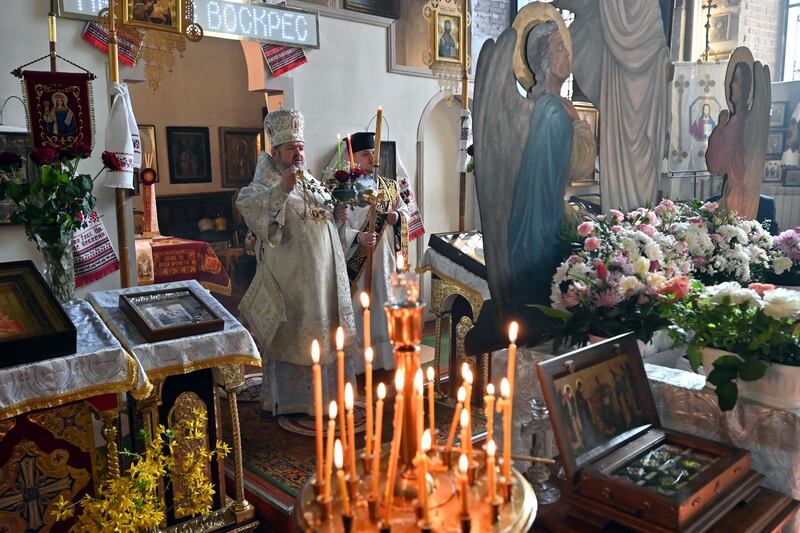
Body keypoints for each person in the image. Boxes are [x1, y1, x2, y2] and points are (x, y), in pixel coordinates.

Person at [474, 5, 596, 316]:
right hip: (543, 229)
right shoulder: (554, 113)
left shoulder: (540, 107)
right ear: (544, 60)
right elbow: (580, 166)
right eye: (559, 48)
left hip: (530, 228)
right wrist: (579, 125)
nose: (567, 54)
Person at [237, 108, 356, 416]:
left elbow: (324, 224)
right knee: (295, 336)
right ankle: (291, 401)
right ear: (276, 151)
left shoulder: (311, 182)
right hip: (291, 280)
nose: (298, 154)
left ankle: (327, 396)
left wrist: (338, 217)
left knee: (327, 336)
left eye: (301, 147)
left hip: (324, 279)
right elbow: (251, 209)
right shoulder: (264, 185)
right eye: (291, 148)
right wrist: (281, 190)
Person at [553, 0, 671, 213]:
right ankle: (627, 226)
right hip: (623, 99)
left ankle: (639, 226)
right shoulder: (613, 7)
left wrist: (663, 63)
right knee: (630, 164)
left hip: (643, 99)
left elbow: (658, 44)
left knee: (642, 162)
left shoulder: (638, 8)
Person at [341, 132, 409, 372]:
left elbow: (405, 212)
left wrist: (397, 216)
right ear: (354, 158)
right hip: (358, 261)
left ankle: (386, 360)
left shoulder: (390, 186)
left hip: (386, 259)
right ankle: (359, 366)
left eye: (373, 153)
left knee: (384, 305)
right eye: (365, 154)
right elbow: (337, 225)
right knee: (360, 307)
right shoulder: (344, 188)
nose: (371, 157)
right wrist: (357, 236)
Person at [706, 47, 771, 220]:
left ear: (744, 88)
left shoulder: (736, 122)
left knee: (727, 232)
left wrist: (720, 127)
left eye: (736, 81)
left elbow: (715, 163)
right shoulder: (745, 119)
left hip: (735, 194)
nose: (731, 85)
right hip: (740, 192)